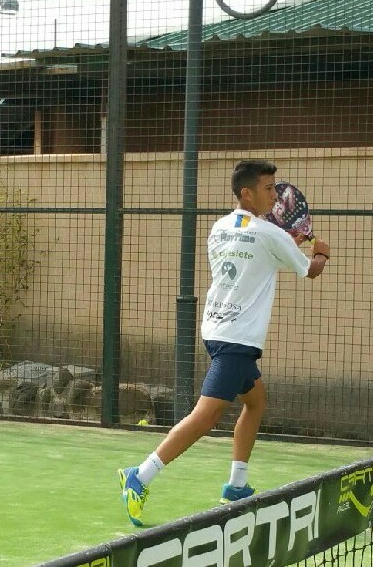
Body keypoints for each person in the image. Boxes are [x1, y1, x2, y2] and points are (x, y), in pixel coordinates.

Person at [117, 159, 331, 527]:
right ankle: (141, 474)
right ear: (247, 193)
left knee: (256, 402)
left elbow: (253, 261)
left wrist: (288, 243)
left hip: (216, 330)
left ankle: (237, 485)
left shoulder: (219, 228)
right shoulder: (270, 234)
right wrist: (322, 252)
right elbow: (310, 270)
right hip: (236, 340)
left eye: (275, 188)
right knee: (206, 416)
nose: (275, 196)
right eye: (268, 188)